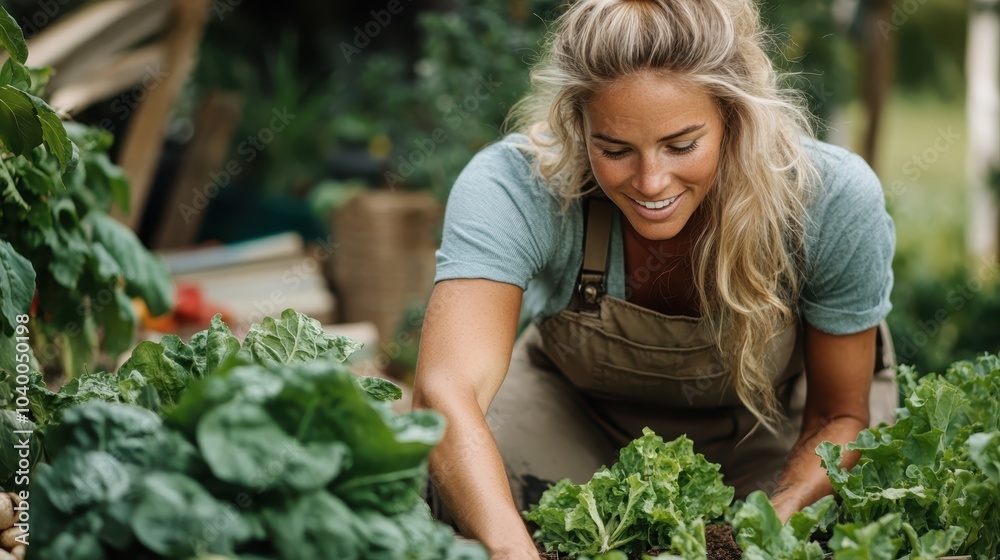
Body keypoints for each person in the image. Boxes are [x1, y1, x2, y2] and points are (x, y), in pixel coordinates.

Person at [412, 0, 897, 558]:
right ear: (576, 123)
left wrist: (755, 535)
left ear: (734, 118)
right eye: (614, 149)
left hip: (772, 426)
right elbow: (445, 390)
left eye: (681, 145)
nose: (650, 181)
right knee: (470, 499)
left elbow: (840, 415)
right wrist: (512, 552)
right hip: (580, 417)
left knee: (832, 534)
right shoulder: (515, 187)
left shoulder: (829, 198)